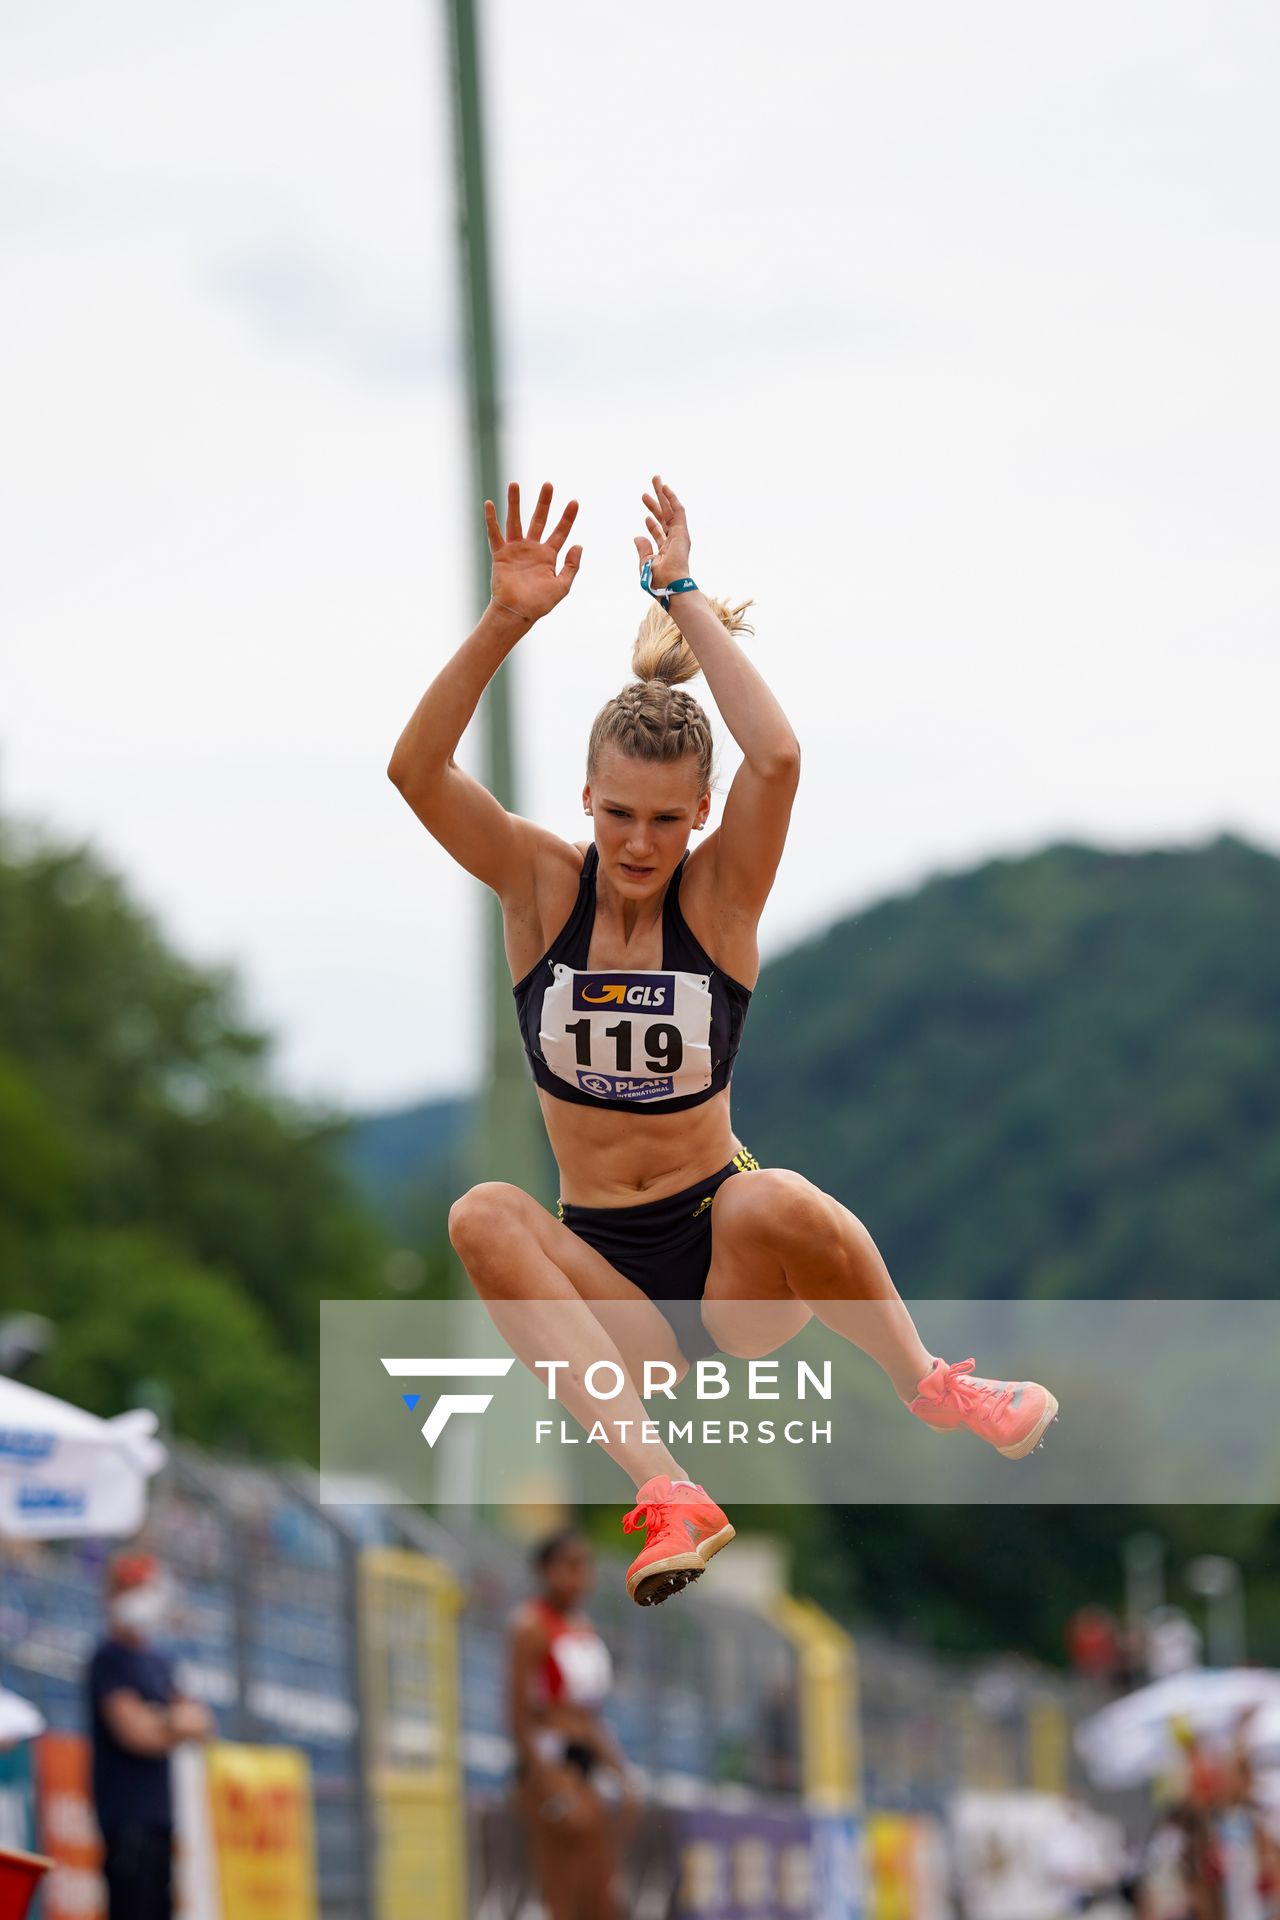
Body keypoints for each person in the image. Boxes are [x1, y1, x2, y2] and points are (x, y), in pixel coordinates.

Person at [388, 473, 1060, 1605]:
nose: (639, 843)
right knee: (480, 1214)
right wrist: (507, 617)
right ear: (585, 799)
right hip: (611, 1282)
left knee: (778, 1198)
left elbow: (779, 758)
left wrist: (682, 591)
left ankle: (934, 1383)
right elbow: (417, 772)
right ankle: (666, 1493)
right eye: (617, 814)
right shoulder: (536, 887)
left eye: (663, 818)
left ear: (698, 815)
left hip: (727, 1263)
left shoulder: (720, 904)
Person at [507, 1529, 639, 1920]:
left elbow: (589, 1715)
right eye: (569, 1567)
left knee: (601, 1893)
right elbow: (518, 1714)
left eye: (585, 1567)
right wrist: (550, 1785)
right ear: (545, 1571)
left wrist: (620, 1773)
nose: (579, 1578)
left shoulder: (583, 1628)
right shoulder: (531, 1626)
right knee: (563, 1893)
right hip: (549, 1762)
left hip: (584, 1758)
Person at [86, 1552, 214, 1920]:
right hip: (126, 1817)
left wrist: (161, 1722)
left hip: (160, 1817)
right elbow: (136, 1734)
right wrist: (172, 1724)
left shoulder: (160, 1660)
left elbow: (201, 1722)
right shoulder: (109, 1657)